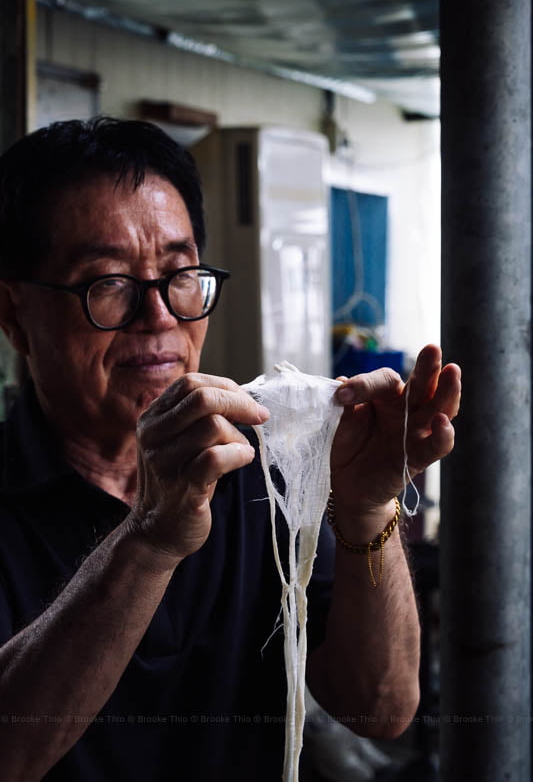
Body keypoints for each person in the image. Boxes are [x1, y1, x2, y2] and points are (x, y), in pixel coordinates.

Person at [0, 118, 460, 781]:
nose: (159, 316)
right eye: (107, 282)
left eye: (181, 276)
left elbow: (379, 707)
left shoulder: (255, 468)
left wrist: (366, 509)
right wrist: (152, 539)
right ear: (14, 314)